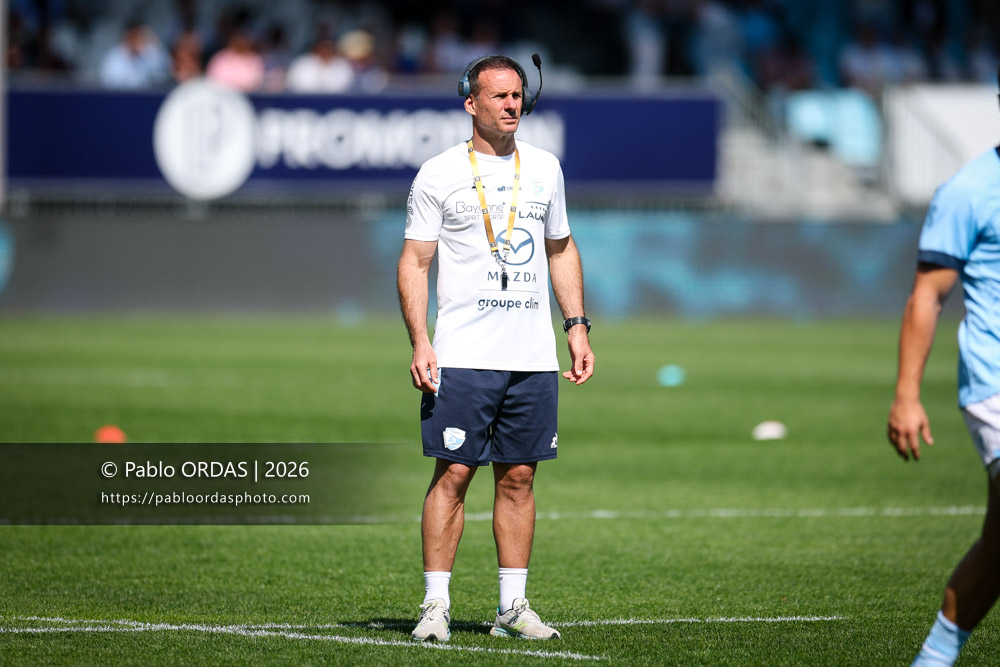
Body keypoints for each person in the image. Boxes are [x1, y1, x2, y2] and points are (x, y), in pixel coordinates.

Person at [397, 54, 595, 643]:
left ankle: (512, 606)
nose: (513, 105)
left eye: (518, 96)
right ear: (472, 104)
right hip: (460, 354)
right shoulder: (437, 173)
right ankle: (436, 606)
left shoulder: (546, 168)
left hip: (531, 358)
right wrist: (420, 340)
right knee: (454, 473)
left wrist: (577, 326)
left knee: (519, 479)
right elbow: (415, 261)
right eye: (500, 96)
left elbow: (560, 248)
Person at [887, 74, 1000, 667]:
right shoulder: (970, 190)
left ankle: (933, 661)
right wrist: (907, 395)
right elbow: (927, 296)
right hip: (996, 383)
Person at [99, 20, 170, 89]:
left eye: (141, 36)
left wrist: (154, 41)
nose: (139, 40)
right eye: (136, 36)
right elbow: (111, 86)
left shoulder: (148, 52)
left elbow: (162, 75)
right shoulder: (114, 58)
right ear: (127, 36)